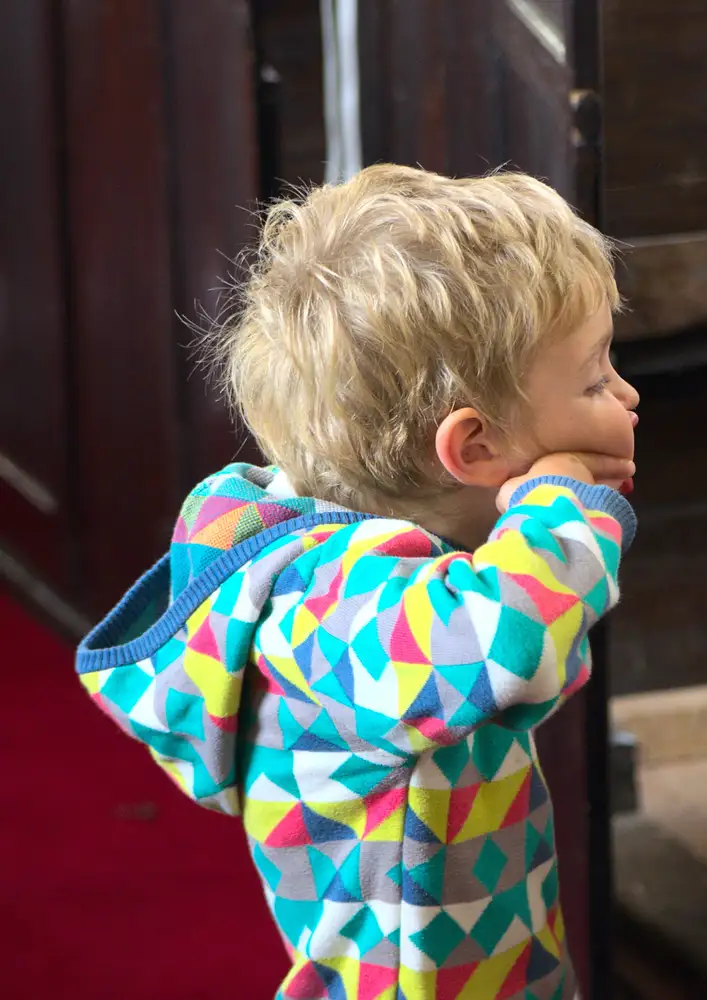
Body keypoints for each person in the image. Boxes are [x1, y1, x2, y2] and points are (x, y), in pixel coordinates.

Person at [76, 164, 639, 1000]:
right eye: (594, 379)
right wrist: (563, 506)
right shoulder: (324, 608)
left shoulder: (411, 571)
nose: (627, 396)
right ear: (473, 450)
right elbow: (507, 648)